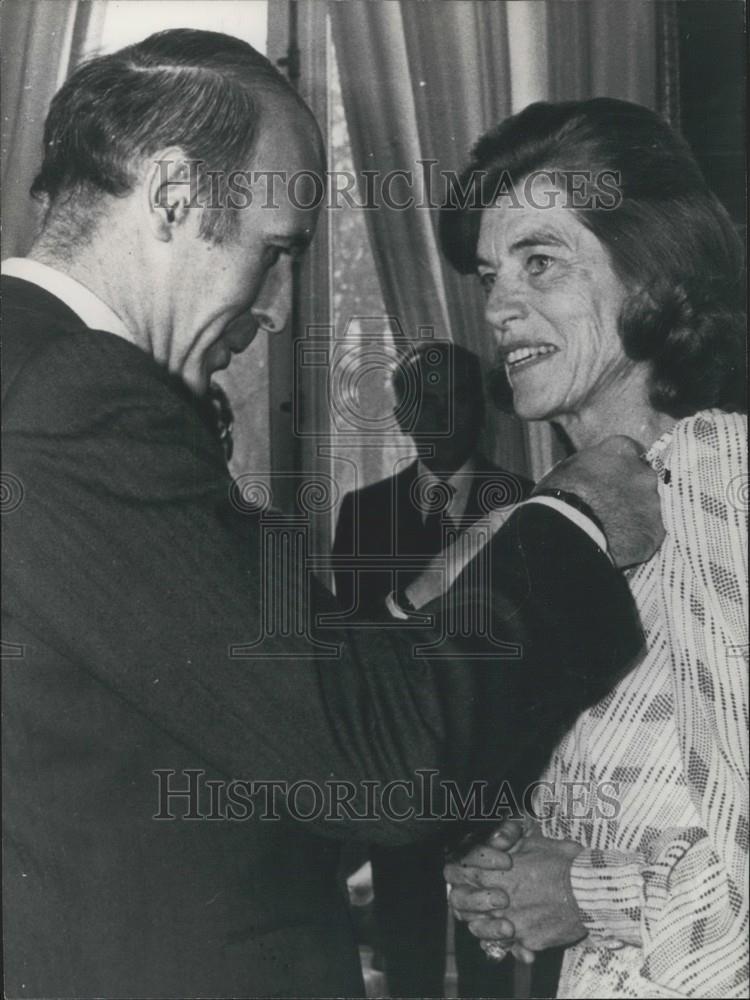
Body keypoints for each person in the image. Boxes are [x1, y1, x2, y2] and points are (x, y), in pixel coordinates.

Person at [1, 33, 661, 997]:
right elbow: (379, 773)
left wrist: (405, 618)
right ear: (175, 193)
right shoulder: (73, 398)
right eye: (275, 252)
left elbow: (219, 732)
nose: (275, 308)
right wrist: (572, 524)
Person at [439, 99, 748, 998]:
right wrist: (510, 861)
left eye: (542, 262)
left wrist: (582, 889)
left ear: (651, 277)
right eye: (493, 273)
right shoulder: (562, 525)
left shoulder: (723, 480)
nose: (499, 304)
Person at [332, 341, 531, 997]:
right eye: (423, 404)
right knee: (409, 958)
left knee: (491, 961)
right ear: (400, 415)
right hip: (403, 775)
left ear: (481, 411)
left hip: (496, 778)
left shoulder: (531, 506)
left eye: (454, 400)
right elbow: (358, 653)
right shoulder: (363, 515)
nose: (440, 419)